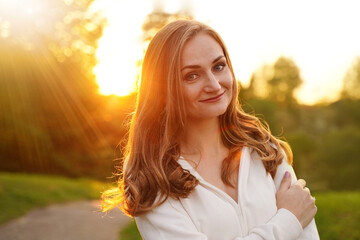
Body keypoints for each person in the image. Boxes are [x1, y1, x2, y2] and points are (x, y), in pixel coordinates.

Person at [102, 19, 319, 239]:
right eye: (192, 75)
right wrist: (288, 221)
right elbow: (297, 217)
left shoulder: (264, 148)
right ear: (163, 89)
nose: (215, 85)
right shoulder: (150, 172)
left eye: (219, 66)